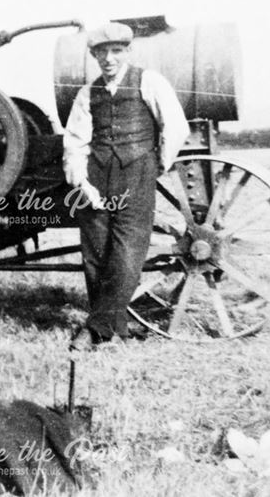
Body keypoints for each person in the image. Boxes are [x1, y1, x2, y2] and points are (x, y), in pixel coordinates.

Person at [62, 22, 190, 350]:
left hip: (137, 177)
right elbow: (75, 143)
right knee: (95, 254)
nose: (108, 59)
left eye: (116, 51)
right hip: (95, 179)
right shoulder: (87, 94)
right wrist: (82, 184)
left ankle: (95, 330)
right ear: (93, 56)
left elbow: (175, 127)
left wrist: (155, 165)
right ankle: (115, 326)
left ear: (127, 52)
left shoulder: (149, 81)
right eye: (101, 53)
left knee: (127, 254)